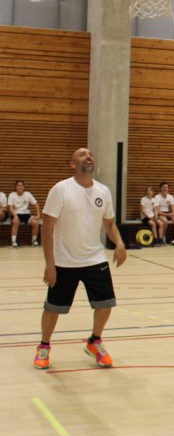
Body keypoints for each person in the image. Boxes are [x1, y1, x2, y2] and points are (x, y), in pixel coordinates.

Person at [34, 147, 126, 370]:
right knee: (54, 308)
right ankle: (43, 346)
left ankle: (95, 341)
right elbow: (47, 227)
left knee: (105, 304)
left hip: (95, 258)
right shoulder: (61, 189)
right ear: (73, 164)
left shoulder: (103, 191)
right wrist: (49, 264)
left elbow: (109, 224)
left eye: (90, 155)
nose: (88, 157)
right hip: (64, 261)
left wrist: (120, 243)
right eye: (82, 155)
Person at [9, 179, 41, 247]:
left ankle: (34, 240)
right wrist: (15, 216)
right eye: (18, 185)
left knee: (35, 222)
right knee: (15, 222)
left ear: (23, 187)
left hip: (26, 214)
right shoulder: (12, 195)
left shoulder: (28, 194)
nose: (20, 187)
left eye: (21, 185)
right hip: (16, 214)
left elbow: (36, 204)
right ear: (16, 187)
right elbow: (10, 208)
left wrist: (38, 215)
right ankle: (13, 241)